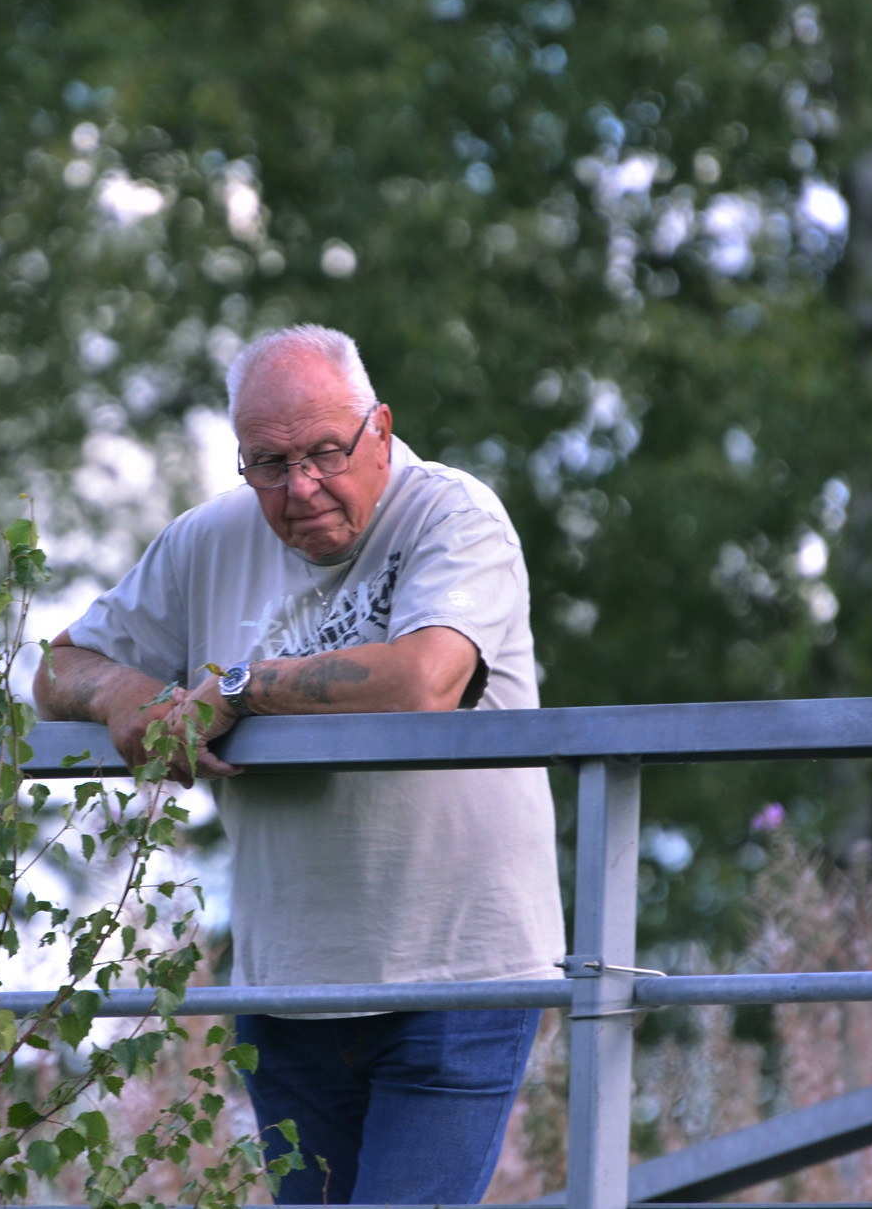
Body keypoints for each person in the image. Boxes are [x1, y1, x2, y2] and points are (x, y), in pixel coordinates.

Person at [33, 324, 563, 1205]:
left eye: (325, 452)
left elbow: (426, 677)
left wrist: (236, 687)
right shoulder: (207, 540)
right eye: (269, 463)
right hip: (286, 991)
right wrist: (125, 695)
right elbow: (55, 667)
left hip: (457, 978)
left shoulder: (454, 515)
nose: (301, 486)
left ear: (381, 429)